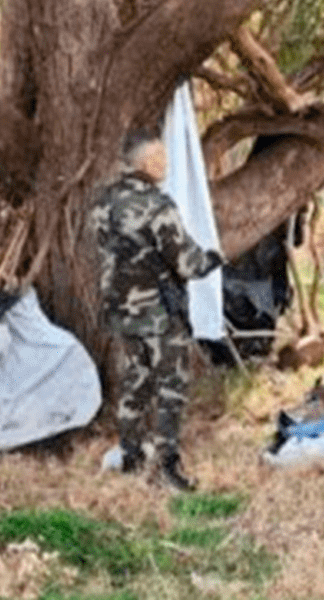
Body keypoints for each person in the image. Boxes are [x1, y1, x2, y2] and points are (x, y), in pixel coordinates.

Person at [91, 131, 223, 491]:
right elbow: (185, 262)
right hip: (160, 314)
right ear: (146, 163)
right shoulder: (158, 206)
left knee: (135, 381)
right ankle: (167, 469)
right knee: (170, 388)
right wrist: (213, 257)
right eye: (161, 158)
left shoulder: (103, 202)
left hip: (121, 312)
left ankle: (131, 456)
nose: (165, 164)